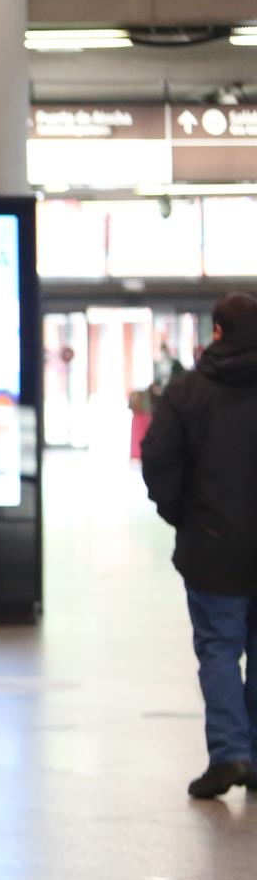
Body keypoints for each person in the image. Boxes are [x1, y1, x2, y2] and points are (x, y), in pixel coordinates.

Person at [142, 293, 257, 800]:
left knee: (218, 649)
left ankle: (231, 753)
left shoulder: (188, 392)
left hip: (212, 549)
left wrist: (182, 516)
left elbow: (158, 461)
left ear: (216, 333)